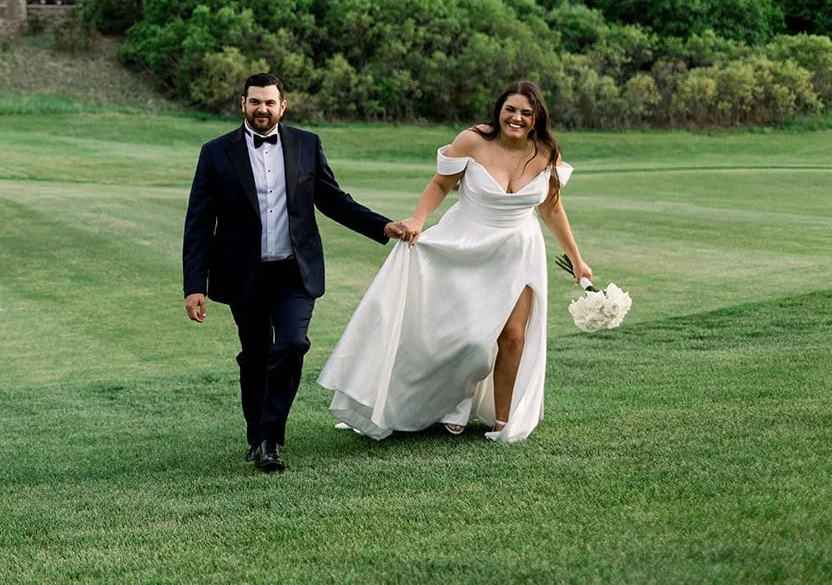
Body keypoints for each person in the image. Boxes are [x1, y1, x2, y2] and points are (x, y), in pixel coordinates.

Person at [317, 80, 592, 443]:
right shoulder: (472, 141)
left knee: (513, 337)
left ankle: (502, 422)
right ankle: (452, 404)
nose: (517, 117)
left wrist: (577, 259)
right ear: (499, 110)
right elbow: (440, 185)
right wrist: (418, 219)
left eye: (526, 113)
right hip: (465, 246)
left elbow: (552, 208)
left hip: (519, 251)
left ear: (537, 118)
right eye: (510, 109)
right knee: (467, 339)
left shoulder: (546, 154)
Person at [183, 73, 408, 472]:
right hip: (243, 273)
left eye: (270, 102)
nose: (262, 109)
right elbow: (199, 223)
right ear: (242, 104)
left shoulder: (307, 144)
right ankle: (257, 435)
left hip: (295, 272)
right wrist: (193, 285)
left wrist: (382, 226)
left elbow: (333, 200)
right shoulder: (216, 152)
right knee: (255, 357)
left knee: (291, 344)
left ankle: (269, 439)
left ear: (282, 106)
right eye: (255, 102)